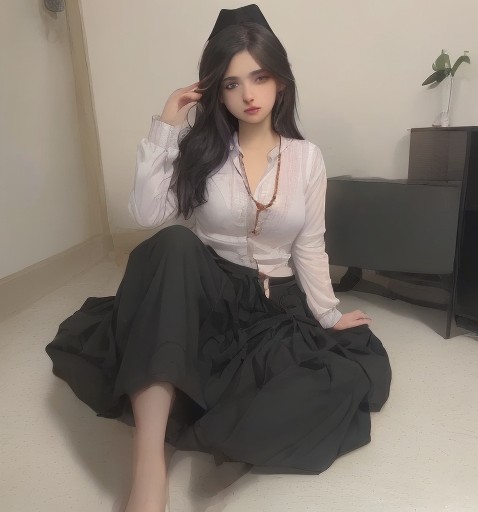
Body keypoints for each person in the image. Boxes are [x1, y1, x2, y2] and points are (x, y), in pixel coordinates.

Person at [46, 5, 391, 512]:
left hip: (273, 304)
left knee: (339, 378)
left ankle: (228, 435)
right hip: (207, 291)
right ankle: (148, 467)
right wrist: (167, 126)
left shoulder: (306, 158)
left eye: (259, 77)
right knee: (172, 244)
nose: (248, 94)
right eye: (232, 83)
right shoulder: (200, 149)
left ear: (280, 81)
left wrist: (328, 313)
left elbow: (309, 244)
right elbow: (146, 213)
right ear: (216, 92)